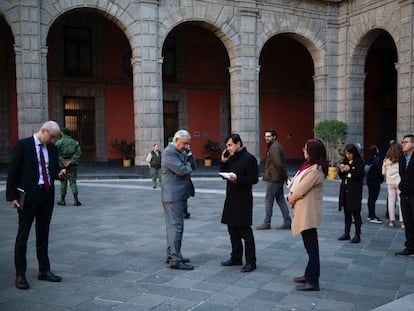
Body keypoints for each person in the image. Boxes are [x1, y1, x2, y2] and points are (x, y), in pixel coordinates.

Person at [6, 121, 67, 290]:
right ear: (43, 131)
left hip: (46, 195)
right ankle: (20, 275)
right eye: (52, 137)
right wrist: (11, 197)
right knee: (23, 236)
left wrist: (59, 173)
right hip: (28, 196)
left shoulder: (52, 149)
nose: (54, 140)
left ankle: (44, 270)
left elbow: (52, 169)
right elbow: (13, 172)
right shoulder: (23, 145)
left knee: (43, 234)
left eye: (56, 137)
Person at [287, 139, 328, 291]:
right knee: (310, 246)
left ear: (312, 151)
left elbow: (300, 190)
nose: (303, 151)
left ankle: (313, 281)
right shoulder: (309, 166)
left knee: (312, 248)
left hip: (308, 212)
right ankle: (308, 274)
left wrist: (290, 197)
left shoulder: (315, 169)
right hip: (304, 210)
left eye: (306, 149)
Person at [220, 134, 259, 273]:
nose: (228, 148)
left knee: (245, 231)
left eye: (230, 145)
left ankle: (251, 261)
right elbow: (223, 174)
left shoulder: (249, 158)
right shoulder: (231, 158)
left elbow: (254, 179)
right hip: (231, 198)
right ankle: (236, 257)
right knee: (232, 230)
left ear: (238, 144)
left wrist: (238, 179)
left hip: (243, 200)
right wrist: (224, 162)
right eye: (227, 146)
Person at [161, 129, 195, 270]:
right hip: (173, 196)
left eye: (188, 144)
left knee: (172, 227)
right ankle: (175, 259)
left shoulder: (180, 152)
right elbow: (182, 170)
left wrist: (188, 155)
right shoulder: (169, 152)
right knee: (176, 227)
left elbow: (192, 166)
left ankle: (173, 254)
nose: (187, 147)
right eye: (185, 144)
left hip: (176, 195)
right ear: (175, 141)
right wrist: (186, 165)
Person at [256, 128, 291, 230]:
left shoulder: (274, 147)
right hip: (277, 177)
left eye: (269, 136)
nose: (266, 138)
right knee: (280, 199)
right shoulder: (276, 146)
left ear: (274, 137)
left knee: (269, 200)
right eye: (265, 136)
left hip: (274, 178)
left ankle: (267, 223)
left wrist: (284, 176)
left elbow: (279, 163)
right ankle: (287, 221)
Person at [338, 144, 365, 243]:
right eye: (346, 153)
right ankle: (347, 232)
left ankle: (357, 234)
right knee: (347, 213)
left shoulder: (359, 161)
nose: (348, 155)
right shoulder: (345, 161)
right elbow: (341, 175)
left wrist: (350, 170)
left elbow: (360, 175)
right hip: (345, 190)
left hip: (355, 191)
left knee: (356, 213)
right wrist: (341, 171)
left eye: (350, 154)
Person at [395, 134, 414, 257]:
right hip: (405, 195)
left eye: (406, 142)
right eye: (402, 142)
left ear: (413, 144)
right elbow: (402, 175)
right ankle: (410, 247)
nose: (403, 144)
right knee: (408, 223)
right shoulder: (402, 158)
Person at [55, 127, 82, 206]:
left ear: (62, 133)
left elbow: (56, 153)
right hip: (72, 165)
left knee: (63, 182)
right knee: (73, 182)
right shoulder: (75, 142)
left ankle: (62, 200)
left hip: (62, 164)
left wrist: (63, 161)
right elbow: (78, 153)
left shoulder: (59, 142)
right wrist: (71, 161)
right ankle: (76, 200)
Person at [382, 141, 404, 228]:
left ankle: (392, 220)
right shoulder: (402, 159)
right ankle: (403, 222)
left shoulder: (386, 160)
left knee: (391, 201)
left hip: (390, 182)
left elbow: (383, 172)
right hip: (399, 181)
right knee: (401, 201)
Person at [365, 145, 383, 223]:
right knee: (373, 198)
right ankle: (372, 215)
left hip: (369, 179)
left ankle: (370, 214)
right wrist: (381, 178)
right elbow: (379, 169)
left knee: (370, 197)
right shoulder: (376, 158)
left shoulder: (368, 158)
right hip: (375, 180)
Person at [182, 149, 196, 219]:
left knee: (184, 196)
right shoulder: (176, 153)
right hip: (178, 179)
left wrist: (190, 156)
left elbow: (193, 166)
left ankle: (184, 211)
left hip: (186, 179)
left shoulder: (188, 154)